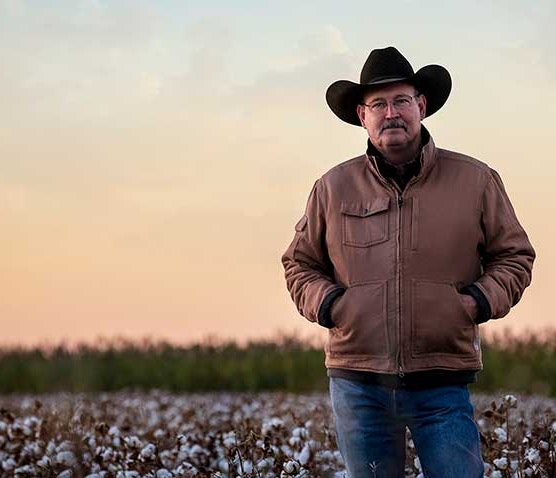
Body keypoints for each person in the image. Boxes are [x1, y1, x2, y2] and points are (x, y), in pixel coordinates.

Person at [281, 47, 535, 478]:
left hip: (442, 380)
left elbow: (515, 257)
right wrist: (331, 306)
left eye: (400, 100)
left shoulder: (475, 180)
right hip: (357, 382)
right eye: (377, 104)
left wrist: (474, 303)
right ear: (362, 116)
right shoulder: (332, 186)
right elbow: (299, 264)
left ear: (421, 106)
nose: (390, 113)